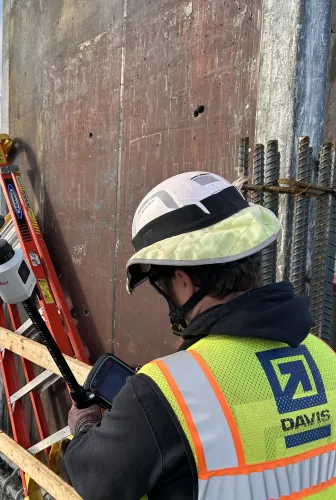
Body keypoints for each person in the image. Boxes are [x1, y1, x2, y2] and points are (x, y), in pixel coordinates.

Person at [64, 171, 336, 500]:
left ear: (183, 281)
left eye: (161, 286)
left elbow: (96, 481)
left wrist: (83, 427)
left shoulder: (159, 393)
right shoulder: (325, 357)